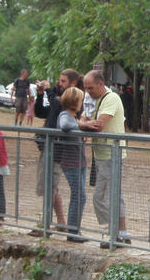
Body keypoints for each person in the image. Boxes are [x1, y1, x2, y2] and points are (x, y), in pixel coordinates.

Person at [81, 70, 131, 248]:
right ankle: (120, 233)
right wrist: (84, 123)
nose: (88, 92)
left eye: (91, 88)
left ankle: (115, 233)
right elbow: (86, 118)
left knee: (102, 196)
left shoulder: (111, 98)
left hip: (111, 153)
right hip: (103, 154)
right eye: (86, 88)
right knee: (113, 193)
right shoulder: (99, 100)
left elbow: (98, 125)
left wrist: (83, 124)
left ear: (101, 84)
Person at [32, 69, 80, 235]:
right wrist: (40, 95)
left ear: (73, 84)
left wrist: (48, 89)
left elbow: (55, 102)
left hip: (57, 151)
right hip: (48, 148)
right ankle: (60, 222)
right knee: (52, 188)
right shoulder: (57, 101)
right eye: (59, 81)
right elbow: (41, 111)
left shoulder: (67, 103)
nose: (60, 84)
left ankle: (45, 225)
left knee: (49, 187)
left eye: (63, 81)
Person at [56, 86, 88, 242]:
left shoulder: (74, 117)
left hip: (80, 161)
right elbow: (64, 126)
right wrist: (81, 127)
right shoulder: (65, 116)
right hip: (71, 162)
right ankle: (72, 231)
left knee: (81, 196)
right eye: (81, 100)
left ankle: (75, 230)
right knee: (79, 195)